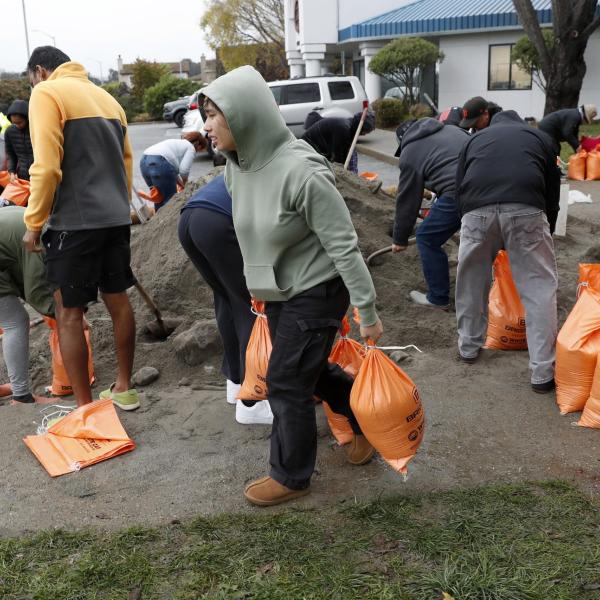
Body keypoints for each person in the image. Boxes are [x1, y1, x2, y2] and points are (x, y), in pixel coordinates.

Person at [202, 66, 383, 507]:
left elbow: (345, 248)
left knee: (285, 381)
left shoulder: (303, 173)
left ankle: (291, 475)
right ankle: (362, 427)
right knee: (311, 371)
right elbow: (253, 233)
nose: (205, 126)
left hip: (319, 291)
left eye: (213, 115)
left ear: (244, 115)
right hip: (282, 291)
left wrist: (368, 312)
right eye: (204, 115)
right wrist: (257, 283)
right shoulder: (237, 167)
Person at [22, 46, 139, 410]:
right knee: (118, 299)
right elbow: (126, 163)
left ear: (40, 71)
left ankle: (86, 410)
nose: (31, 88)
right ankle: (123, 388)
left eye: (30, 82)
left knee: (68, 312)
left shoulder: (47, 92)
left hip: (73, 223)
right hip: (115, 218)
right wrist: (120, 208)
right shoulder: (108, 100)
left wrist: (33, 223)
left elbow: (46, 167)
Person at [455, 110, 560, 393]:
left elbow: (459, 185)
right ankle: (542, 373)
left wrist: (470, 221)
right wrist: (546, 224)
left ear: (492, 123)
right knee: (539, 289)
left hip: (476, 211)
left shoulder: (475, 139)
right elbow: (553, 188)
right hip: (527, 208)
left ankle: (468, 347)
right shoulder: (540, 138)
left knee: (471, 282)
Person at [178, 173, 273, 425]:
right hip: (217, 221)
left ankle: (235, 383)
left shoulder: (259, 163)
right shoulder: (293, 173)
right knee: (252, 307)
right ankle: (253, 403)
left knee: (228, 299)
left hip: (189, 219)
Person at [391, 117, 469, 309]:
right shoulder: (452, 130)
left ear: (403, 140)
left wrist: (399, 239)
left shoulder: (410, 152)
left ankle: (437, 298)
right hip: (492, 186)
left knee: (426, 237)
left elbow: (408, 199)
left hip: (461, 192)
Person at [0, 206, 54, 404]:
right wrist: (62, 314)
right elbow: (35, 290)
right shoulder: (40, 238)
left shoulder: (34, 218)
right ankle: (21, 396)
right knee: (15, 322)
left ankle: (14, 388)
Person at [140, 132, 205, 210]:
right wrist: (185, 183)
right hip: (159, 162)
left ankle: (159, 220)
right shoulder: (190, 147)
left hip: (144, 161)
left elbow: (171, 171)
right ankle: (167, 221)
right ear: (199, 146)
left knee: (158, 198)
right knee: (169, 201)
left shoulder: (178, 143)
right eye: (200, 150)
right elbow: (184, 170)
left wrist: (181, 185)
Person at [301, 110, 375, 174]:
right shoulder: (343, 129)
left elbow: (344, 154)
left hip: (317, 148)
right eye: (365, 132)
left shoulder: (348, 126)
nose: (364, 134)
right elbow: (339, 156)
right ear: (361, 129)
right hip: (307, 148)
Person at [4, 99, 34, 182]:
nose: (17, 125)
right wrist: (12, 171)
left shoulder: (36, 129)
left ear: (27, 118)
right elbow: (10, 154)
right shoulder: (9, 132)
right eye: (14, 123)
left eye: (20, 122)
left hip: (38, 174)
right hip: (22, 175)